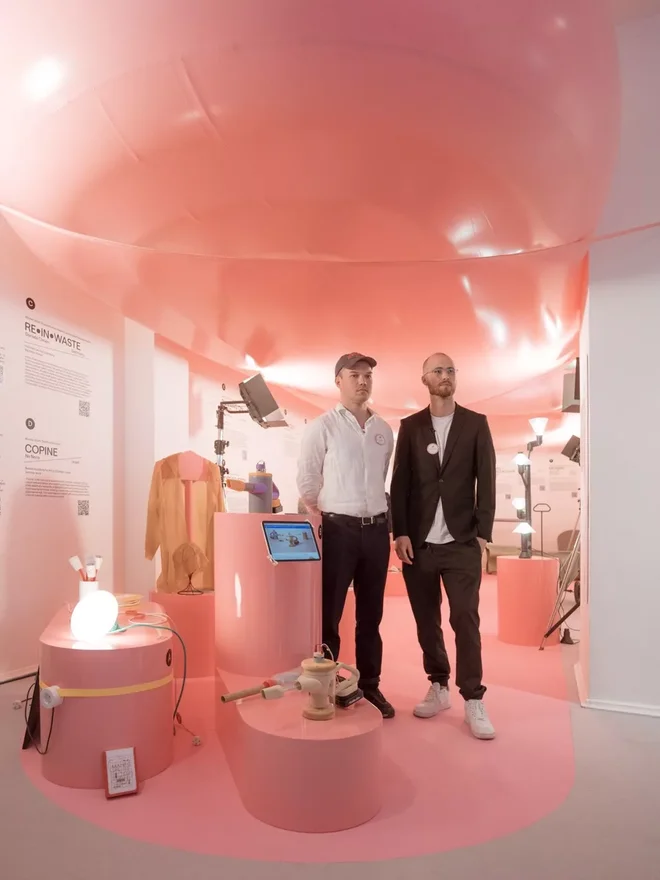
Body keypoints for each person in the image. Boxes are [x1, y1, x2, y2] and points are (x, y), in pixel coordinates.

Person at [390, 352, 496, 739]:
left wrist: (482, 533)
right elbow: (400, 483)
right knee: (426, 620)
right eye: (438, 370)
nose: (445, 375)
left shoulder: (475, 424)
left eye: (450, 369)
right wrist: (400, 532)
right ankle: (438, 685)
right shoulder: (411, 427)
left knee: (465, 618)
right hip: (419, 545)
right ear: (425, 379)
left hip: (461, 542)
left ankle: (473, 698)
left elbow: (487, 478)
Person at [297, 353, 395, 718]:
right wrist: (327, 512)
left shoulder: (384, 430)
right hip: (338, 530)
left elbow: (381, 478)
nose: (363, 381)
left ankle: (370, 684)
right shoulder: (323, 426)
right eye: (354, 375)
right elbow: (308, 480)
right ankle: (326, 684)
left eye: (368, 375)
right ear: (338, 381)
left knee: (371, 616)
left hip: (377, 531)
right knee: (330, 614)